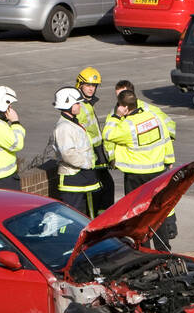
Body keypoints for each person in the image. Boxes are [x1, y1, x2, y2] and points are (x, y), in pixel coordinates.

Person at [103, 89, 179, 242]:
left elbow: (107, 134)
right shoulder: (154, 117)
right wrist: (169, 160)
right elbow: (165, 139)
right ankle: (163, 247)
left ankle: (143, 246)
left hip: (135, 175)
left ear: (124, 107)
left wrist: (116, 116)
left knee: (137, 213)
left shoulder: (126, 126)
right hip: (157, 171)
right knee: (158, 210)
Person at [52, 87, 100, 217]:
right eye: (77, 103)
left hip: (81, 178)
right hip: (73, 180)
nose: (80, 106)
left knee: (85, 217)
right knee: (72, 219)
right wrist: (87, 163)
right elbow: (68, 154)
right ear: (68, 105)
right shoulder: (64, 127)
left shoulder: (73, 123)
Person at [75, 67, 114, 211]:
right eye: (88, 85)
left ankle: (104, 218)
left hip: (98, 154)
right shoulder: (79, 106)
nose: (91, 89)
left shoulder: (87, 103)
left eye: (94, 86)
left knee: (107, 188)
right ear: (80, 84)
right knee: (98, 192)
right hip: (90, 155)